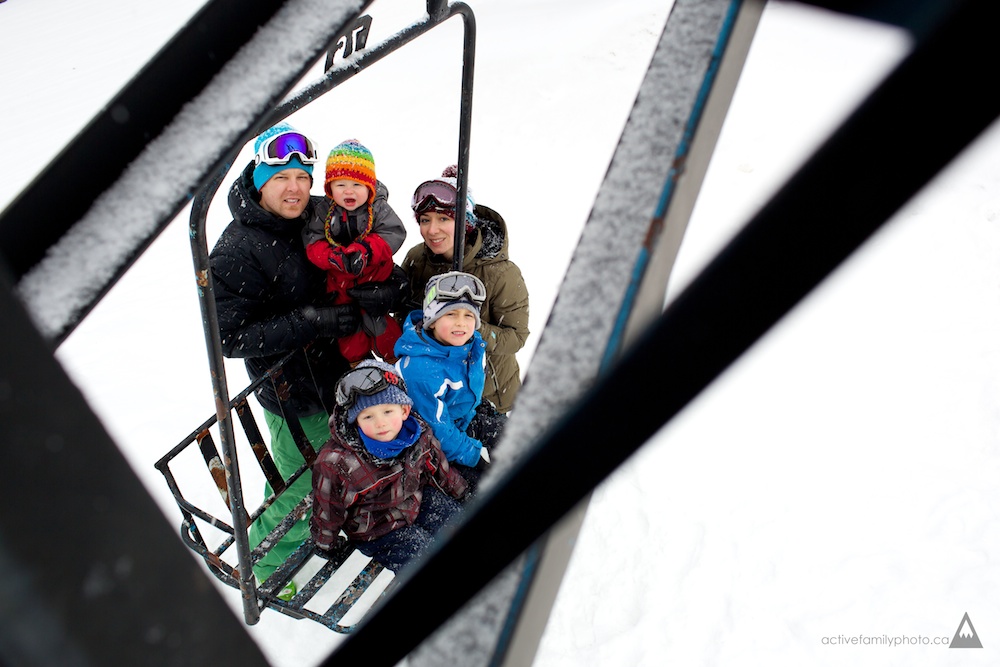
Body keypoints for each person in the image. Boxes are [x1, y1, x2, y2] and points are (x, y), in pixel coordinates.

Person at [210, 122, 391, 594]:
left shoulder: (315, 214)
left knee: (344, 460)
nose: (294, 188)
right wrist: (311, 321)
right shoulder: (236, 250)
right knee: (301, 481)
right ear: (258, 180)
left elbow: (370, 226)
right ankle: (265, 569)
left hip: (341, 371)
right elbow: (228, 337)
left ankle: (338, 517)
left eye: (302, 176)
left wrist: (385, 287)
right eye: (280, 178)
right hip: (293, 390)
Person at [310, 360, 467, 572]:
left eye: (387, 412)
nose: (380, 423)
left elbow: (438, 465)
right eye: (367, 416)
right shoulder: (338, 463)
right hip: (377, 527)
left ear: (404, 410)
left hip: (415, 500)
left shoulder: (417, 433)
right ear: (355, 421)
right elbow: (328, 508)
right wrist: (326, 544)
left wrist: (461, 492)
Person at [400, 166, 529, 416]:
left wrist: (468, 324)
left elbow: (516, 338)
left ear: (466, 223)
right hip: (434, 396)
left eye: (444, 219)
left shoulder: (501, 273)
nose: (432, 230)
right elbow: (405, 319)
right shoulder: (417, 259)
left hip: (489, 399)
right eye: (425, 220)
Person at [302, 139, 407, 364]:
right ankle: (358, 366)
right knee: (350, 337)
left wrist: (366, 250)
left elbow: (394, 233)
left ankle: (397, 363)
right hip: (340, 286)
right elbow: (313, 243)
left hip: (374, 280)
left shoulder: (377, 208)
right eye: (340, 185)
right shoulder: (324, 211)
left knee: (384, 330)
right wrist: (333, 258)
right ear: (330, 188)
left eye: (357, 185)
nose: (349, 191)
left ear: (369, 187)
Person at [394, 271, 499, 491]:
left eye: (468, 315)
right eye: (450, 314)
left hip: (463, 422)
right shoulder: (421, 370)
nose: (461, 323)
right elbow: (435, 429)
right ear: (431, 321)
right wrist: (474, 456)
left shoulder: (470, 346)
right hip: (433, 447)